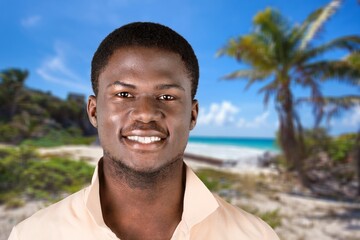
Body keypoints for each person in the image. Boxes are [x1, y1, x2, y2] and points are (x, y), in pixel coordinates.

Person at [8, 22, 279, 240]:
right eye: (124, 94)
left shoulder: (256, 236)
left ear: (193, 115)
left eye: (167, 97)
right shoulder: (32, 234)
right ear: (93, 111)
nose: (146, 113)